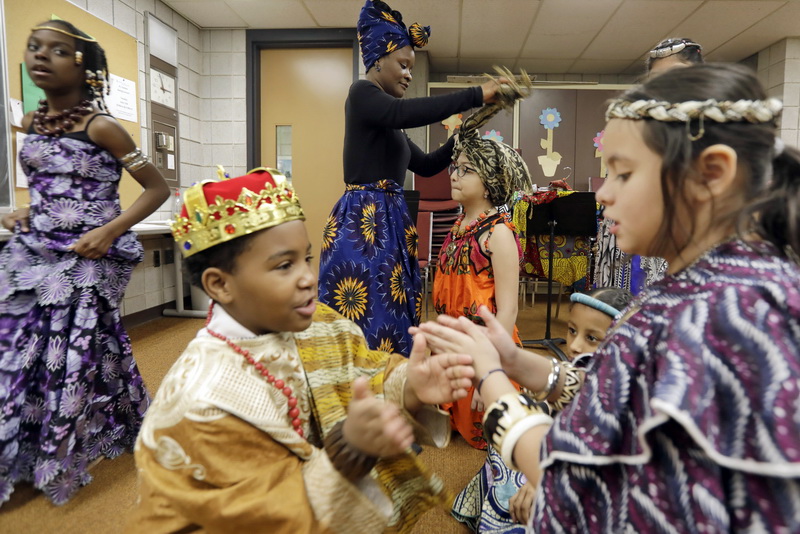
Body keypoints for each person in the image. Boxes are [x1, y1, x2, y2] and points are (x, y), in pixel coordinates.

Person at [419, 63, 800, 531]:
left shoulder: (731, 317)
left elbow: (580, 470)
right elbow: (622, 392)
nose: (603, 196)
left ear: (711, 174)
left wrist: (495, 384)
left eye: (622, 173)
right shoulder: (708, 287)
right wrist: (517, 362)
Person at [128, 168, 477, 533]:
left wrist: (409, 385)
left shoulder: (320, 323)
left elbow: (365, 368)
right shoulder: (202, 401)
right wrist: (347, 453)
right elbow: (250, 517)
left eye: (306, 258)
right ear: (220, 284)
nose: (309, 277)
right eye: (284, 265)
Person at [0, 20, 170, 506]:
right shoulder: (31, 125)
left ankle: (61, 447)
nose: (40, 56)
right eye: (34, 48)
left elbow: (156, 189)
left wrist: (110, 230)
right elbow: (50, 188)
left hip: (93, 252)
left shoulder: (103, 127)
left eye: (56, 50)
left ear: (82, 66)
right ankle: (26, 441)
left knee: (68, 345)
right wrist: (27, 211)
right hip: (37, 247)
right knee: (19, 344)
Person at [317, 0, 529, 357]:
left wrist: (463, 131)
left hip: (390, 222)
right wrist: (477, 93)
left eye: (411, 68)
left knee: (393, 310)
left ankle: (395, 387)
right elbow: (404, 111)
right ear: (377, 61)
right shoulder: (362, 94)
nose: (408, 74)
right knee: (368, 313)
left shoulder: (389, 124)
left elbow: (429, 165)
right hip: (364, 225)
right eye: (402, 64)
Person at [448, 287, 632, 532]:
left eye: (592, 338)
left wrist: (539, 479)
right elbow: (555, 402)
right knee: (502, 451)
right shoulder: (582, 369)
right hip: (554, 458)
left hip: (583, 484)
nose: (575, 346)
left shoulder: (624, 396)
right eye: (572, 330)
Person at [431, 102, 533, 450]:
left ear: (489, 183)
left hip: (487, 353)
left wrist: (490, 373)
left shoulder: (499, 234)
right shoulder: (458, 227)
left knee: (492, 444)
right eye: (454, 168)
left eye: (466, 170)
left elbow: (508, 312)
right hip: (455, 349)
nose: (454, 175)